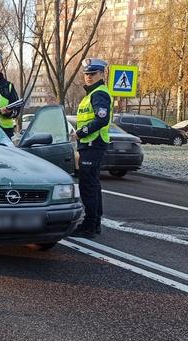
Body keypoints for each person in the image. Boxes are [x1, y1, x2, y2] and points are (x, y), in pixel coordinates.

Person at [73, 58, 113, 238]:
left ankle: (89, 225)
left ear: (101, 74)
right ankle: (94, 223)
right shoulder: (91, 94)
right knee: (93, 185)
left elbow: (101, 119)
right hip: (89, 145)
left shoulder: (99, 93)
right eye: (86, 74)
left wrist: (81, 132)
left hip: (93, 143)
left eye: (92, 74)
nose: (88, 77)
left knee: (88, 186)